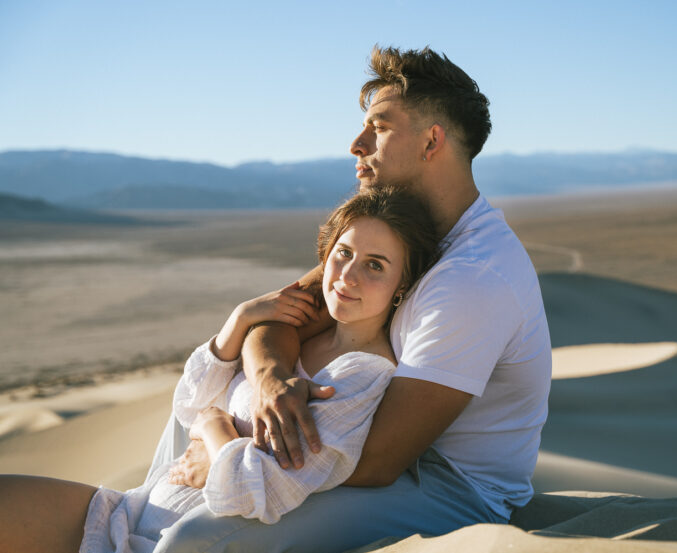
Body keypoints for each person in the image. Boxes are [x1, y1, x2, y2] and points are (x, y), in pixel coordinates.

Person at [153, 45, 552, 553]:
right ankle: (139, 515)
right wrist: (271, 379)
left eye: (379, 128)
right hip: (353, 442)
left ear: (432, 141)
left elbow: (379, 461)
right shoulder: (393, 234)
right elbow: (280, 317)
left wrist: (225, 448)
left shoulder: (472, 277)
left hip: (446, 485)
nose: (355, 144)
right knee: (207, 397)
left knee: (199, 541)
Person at [0, 185, 443, 553]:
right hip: (127, 511)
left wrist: (214, 432)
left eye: (375, 265)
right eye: (343, 253)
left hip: (156, 541)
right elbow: (189, 403)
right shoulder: (299, 334)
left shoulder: (363, 375)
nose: (347, 276)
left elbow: (260, 492)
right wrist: (239, 321)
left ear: (402, 285)